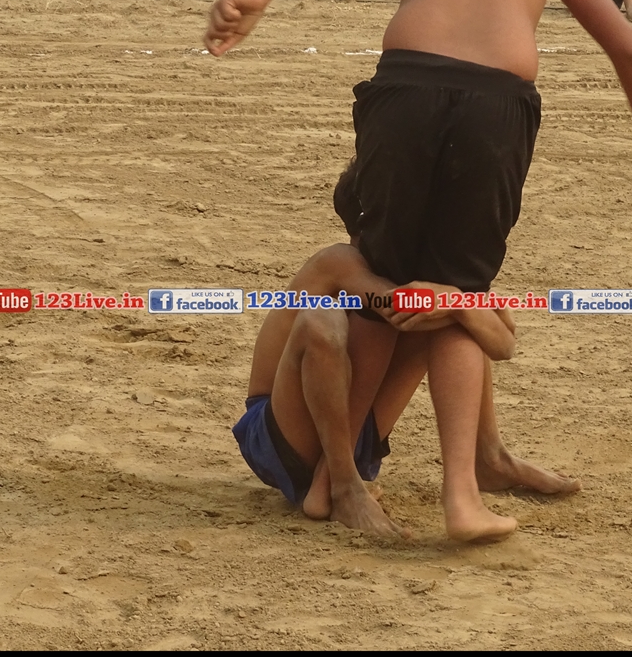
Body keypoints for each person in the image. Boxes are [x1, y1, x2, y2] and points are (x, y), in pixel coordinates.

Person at [207, 0, 632, 542]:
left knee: (408, 285)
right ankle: (457, 492)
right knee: (455, 291)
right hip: (500, 102)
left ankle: (404, 472)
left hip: (408, 88)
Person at [234, 160, 580, 541]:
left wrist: (460, 303)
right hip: (277, 433)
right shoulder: (339, 261)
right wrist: (461, 302)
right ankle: (342, 485)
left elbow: (503, 345)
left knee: (449, 317)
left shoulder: (420, 272)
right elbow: (394, 306)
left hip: (351, 430)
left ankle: (489, 456)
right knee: (325, 318)